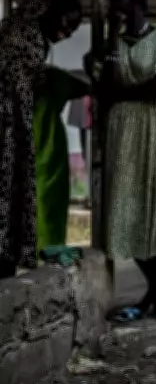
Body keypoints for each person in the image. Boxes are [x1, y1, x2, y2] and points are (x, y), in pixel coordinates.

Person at [0, 0, 105, 278]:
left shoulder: (43, 53)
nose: (68, 32)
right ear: (50, 9)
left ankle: (14, 259)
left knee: (20, 192)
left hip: (19, 114)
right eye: (67, 23)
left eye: (74, 30)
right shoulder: (29, 13)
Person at [102, 0, 156, 323]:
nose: (114, 13)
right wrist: (110, 39)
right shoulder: (115, 42)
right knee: (125, 207)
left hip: (154, 129)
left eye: (118, 6)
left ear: (135, 5)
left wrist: (123, 93)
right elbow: (107, 84)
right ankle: (154, 294)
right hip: (123, 132)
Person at [34, 67, 90, 251]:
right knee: (49, 204)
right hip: (46, 146)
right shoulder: (51, 77)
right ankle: (48, 249)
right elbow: (88, 86)